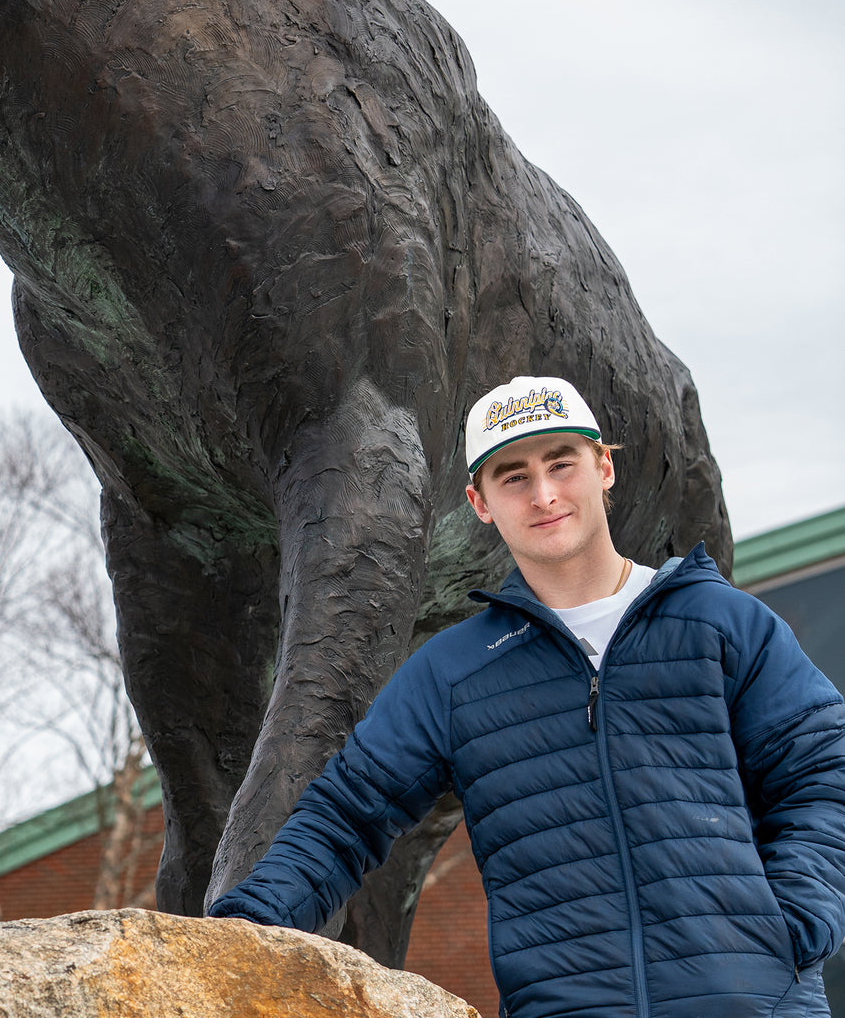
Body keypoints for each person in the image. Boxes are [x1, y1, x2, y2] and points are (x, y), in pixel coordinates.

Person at [208, 375, 845, 1016]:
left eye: (560, 464)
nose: (543, 495)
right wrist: (239, 934)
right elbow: (345, 813)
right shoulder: (454, 672)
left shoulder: (722, 622)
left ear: (603, 467)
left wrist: (795, 924)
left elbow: (823, 773)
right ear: (480, 502)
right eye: (513, 477)